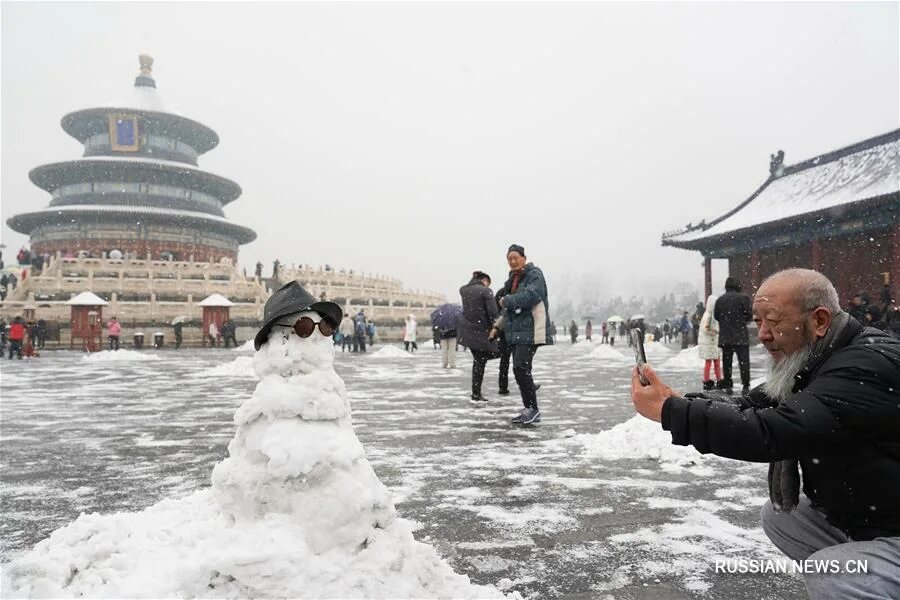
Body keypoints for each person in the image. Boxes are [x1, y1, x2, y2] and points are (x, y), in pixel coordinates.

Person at [630, 269, 900, 600]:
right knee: (782, 517)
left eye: (773, 321)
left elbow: (773, 430)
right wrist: (676, 402)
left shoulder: (863, 366)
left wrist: (669, 412)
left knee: (833, 575)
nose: (763, 335)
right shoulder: (819, 358)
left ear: (819, 321)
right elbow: (750, 405)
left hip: (892, 527)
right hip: (878, 520)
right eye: (758, 321)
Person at [491, 244, 551, 424]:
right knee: (520, 368)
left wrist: (507, 300)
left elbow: (531, 296)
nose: (512, 261)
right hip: (516, 331)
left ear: (524, 258)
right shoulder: (513, 279)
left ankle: (532, 409)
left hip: (530, 330)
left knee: (520, 367)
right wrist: (497, 326)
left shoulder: (534, 274)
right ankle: (529, 407)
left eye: (515, 257)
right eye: (509, 258)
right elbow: (508, 310)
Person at [458, 271, 499, 402]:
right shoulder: (486, 291)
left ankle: (476, 392)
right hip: (482, 331)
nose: (488, 285)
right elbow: (493, 312)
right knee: (482, 361)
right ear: (484, 280)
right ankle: (476, 394)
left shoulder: (464, 290)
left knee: (479, 361)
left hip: (469, 332)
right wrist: (496, 326)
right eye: (488, 283)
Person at [714, 276, 753, 395]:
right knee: (744, 362)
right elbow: (749, 315)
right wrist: (740, 321)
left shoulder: (720, 300)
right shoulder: (743, 298)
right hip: (740, 335)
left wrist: (726, 322)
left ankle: (728, 385)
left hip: (725, 336)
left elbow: (716, 316)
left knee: (727, 363)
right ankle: (745, 385)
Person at [697, 294, 722, 390]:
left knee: (712, 362)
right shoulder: (710, 315)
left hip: (709, 343)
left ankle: (708, 380)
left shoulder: (707, 314)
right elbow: (706, 329)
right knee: (714, 362)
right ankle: (716, 380)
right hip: (711, 342)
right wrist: (717, 332)